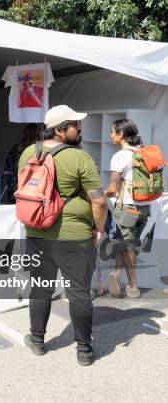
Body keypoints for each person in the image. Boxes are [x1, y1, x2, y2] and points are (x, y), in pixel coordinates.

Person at [19, 105, 107, 366]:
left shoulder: (27, 152)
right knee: (79, 292)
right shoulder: (80, 157)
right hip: (75, 236)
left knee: (40, 288)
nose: (79, 128)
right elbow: (99, 202)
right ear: (59, 129)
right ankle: (84, 351)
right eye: (74, 124)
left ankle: (37, 340)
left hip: (36, 232)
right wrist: (99, 229)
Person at [104, 119, 151, 298]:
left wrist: (98, 195)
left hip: (127, 208)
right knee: (125, 244)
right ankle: (116, 274)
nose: (110, 135)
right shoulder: (144, 151)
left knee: (127, 247)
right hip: (144, 207)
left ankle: (133, 287)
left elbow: (112, 189)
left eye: (112, 132)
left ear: (121, 134)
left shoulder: (120, 156)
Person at [3, 123, 43, 203]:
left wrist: (10, 185)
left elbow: (8, 171)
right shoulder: (41, 149)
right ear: (39, 134)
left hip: (17, 187)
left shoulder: (16, 148)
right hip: (36, 188)